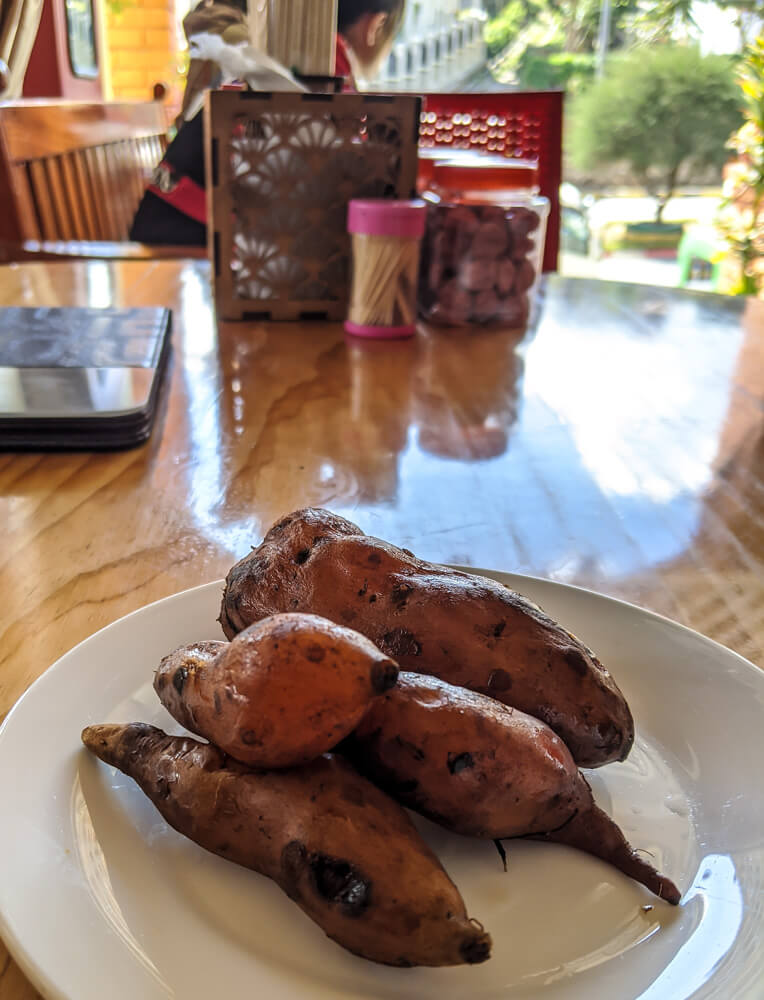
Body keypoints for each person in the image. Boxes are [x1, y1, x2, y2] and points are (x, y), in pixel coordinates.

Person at [129, 0, 406, 247]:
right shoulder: (323, 63)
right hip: (185, 232)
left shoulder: (292, 53)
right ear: (374, 24)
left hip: (171, 217)